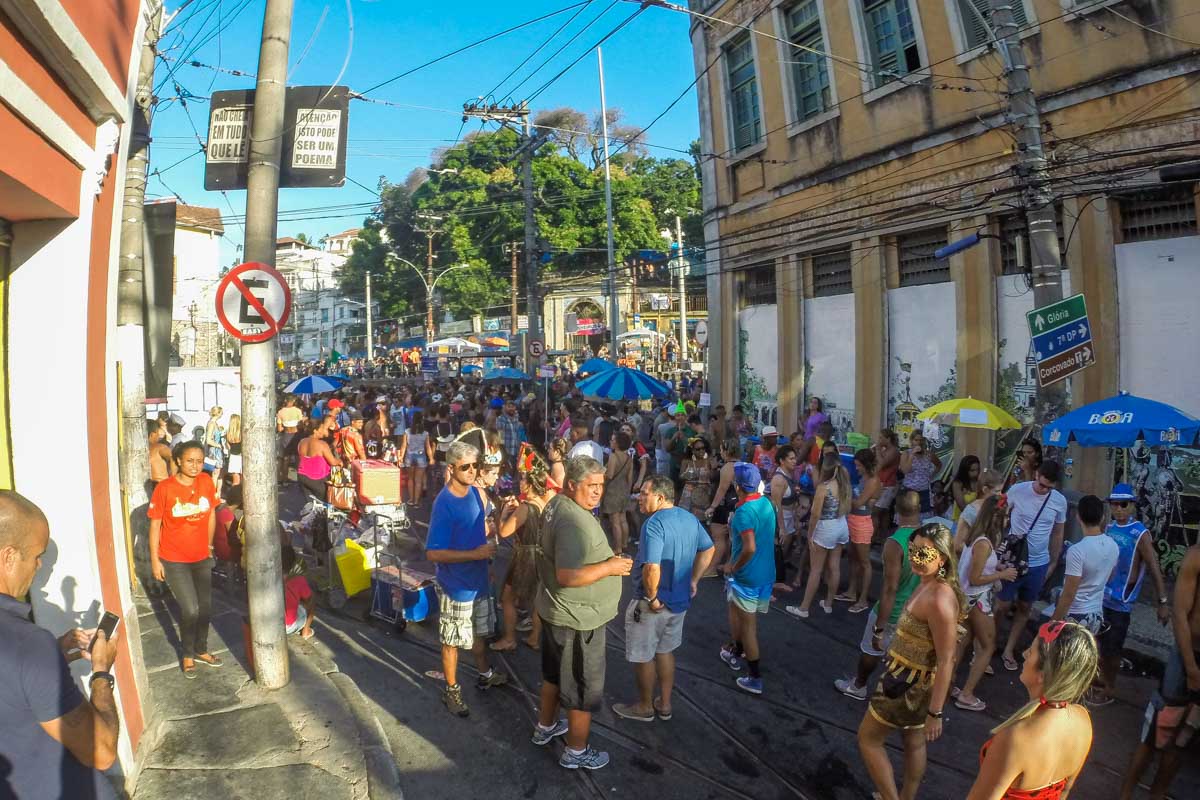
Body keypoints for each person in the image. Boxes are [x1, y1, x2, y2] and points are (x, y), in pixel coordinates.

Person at [0, 491, 121, 799]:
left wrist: (52, 656)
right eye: (37, 555)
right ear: (9, 556)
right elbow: (102, 751)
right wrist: (101, 672)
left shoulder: (30, 648)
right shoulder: (28, 644)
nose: (39, 566)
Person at [532, 455, 632, 770]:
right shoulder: (573, 522)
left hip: (556, 611)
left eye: (601, 485)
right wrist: (611, 566)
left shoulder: (556, 504)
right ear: (572, 484)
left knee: (552, 674)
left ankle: (545, 727)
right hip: (577, 619)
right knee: (581, 688)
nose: (597, 492)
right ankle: (576, 751)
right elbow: (568, 576)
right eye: (591, 486)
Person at [857, 523, 965, 800]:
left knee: (868, 740)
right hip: (910, 678)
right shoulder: (927, 583)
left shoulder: (939, 598)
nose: (916, 558)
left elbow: (947, 659)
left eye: (924, 554)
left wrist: (936, 713)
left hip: (904, 685)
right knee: (913, 741)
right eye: (913, 550)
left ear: (941, 558)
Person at [612, 476, 714, 722]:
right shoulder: (689, 518)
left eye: (645, 493)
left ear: (660, 497)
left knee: (644, 655)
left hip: (652, 605)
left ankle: (645, 706)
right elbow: (708, 548)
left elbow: (652, 567)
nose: (639, 498)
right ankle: (665, 704)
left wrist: (652, 597)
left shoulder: (654, 524)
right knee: (665, 651)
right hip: (679, 603)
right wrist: (694, 580)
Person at [966, 621, 1097, 799]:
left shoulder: (1015, 739)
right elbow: (1064, 792)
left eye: (1031, 651)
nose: (1025, 653)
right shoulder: (1082, 719)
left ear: (1042, 675)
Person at [425, 440, 507, 717]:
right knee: (452, 640)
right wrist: (475, 553)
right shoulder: (444, 504)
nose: (472, 471)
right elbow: (434, 554)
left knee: (480, 634)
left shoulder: (476, 493)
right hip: (456, 585)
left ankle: (485, 674)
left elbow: (476, 528)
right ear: (451, 468)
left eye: (476, 466)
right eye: (466, 467)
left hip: (480, 578)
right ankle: (452, 691)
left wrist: (488, 537)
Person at [1118, 544, 1200, 800]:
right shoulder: (1197, 555)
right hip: (1188, 657)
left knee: (1184, 739)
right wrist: (1191, 668)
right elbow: (1180, 613)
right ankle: (1126, 794)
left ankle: (1157, 794)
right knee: (1156, 732)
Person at [834, 490, 923, 700]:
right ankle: (893, 696)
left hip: (893, 611)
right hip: (915, 611)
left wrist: (880, 628)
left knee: (871, 650)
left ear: (896, 512)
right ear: (918, 510)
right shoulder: (929, 537)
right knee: (901, 660)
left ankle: (859, 686)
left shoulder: (895, 543)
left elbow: (890, 588)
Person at [1091, 482, 1170, 706]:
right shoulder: (1108, 528)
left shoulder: (1140, 533)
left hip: (1121, 602)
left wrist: (1162, 601)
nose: (1118, 509)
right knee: (1096, 642)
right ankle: (1098, 680)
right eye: (1114, 504)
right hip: (1102, 596)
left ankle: (1109, 687)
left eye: (1123, 504)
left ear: (1132, 505)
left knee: (1112, 649)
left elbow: (1154, 567)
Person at [148, 441, 223, 677]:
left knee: (206, 609)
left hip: (201, 556)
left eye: (199, 461)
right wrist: (155, 561)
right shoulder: (165, 489)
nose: (195, 466)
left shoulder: (206, 482)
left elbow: (211, 514)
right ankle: (188, 653)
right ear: (178, 461)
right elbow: (155, 525)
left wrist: (210, 546)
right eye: (190, 461)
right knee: (190, 609)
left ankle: (201, 649)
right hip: (174, 559)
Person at [997, 461, 1068, 672]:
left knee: (1025, 607)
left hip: (1039, 562)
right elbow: (999, 515)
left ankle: (1008, 649)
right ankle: (987, 642)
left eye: (1048, 487)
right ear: (1036, 475)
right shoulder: (1018, 490)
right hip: (1013, 559)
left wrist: (1054, 562)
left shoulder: (1059, 501)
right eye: (1041, 484)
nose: (1043, 489)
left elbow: (1058, 532)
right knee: (1002, 605)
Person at [952, 495, 1018, 712]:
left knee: (964, 642)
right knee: (987, 646)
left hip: (968, 600)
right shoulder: (984, 543)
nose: (1008, 520)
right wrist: (1003, 574)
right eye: (1006, 515)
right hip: (978, 600)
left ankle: (949, 684)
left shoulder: (979, 539)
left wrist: (995, 569)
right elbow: (975, 578)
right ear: (997, 518)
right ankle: (967, 693)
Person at [718, 463, 776, 695]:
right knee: (739, 614)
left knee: (747, 625)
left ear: (738, 486)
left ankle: (754, 676)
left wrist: (733, 565)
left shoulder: (743, 513)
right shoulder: (765, 503)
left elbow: (749, 547)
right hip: (765, 574)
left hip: (747, 576)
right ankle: (736, 649)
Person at [491, 451, 556, 652]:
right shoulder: (547, 503)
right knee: (537, 598)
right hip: (543, 554)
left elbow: (504, 532)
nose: (520, 483)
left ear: (530, 484)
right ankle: (535, 638)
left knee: (507, 598)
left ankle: (509, 639)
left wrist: (503, 513)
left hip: (524, 557)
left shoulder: (525, 507)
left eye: (523, 480)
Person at [787, 455, 851, 618]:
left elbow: (815, 515)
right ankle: (828, 603)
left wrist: (809, 536)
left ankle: (803, 608)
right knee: (834, 567)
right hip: (841, 525)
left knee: (816, 570)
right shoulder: (844, 484)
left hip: (826, 527)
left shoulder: (824, 487)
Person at [1049, 494, 1119, 633]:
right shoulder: (1113, 545)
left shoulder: (1077, 550)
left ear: (1078, 517)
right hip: (1097, 615)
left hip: (1076, 614)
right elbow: (1110, 577)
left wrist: (1053, 623)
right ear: (1102, 518)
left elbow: (1069, 593)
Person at [842, 448, 881, 613]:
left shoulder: (872, 481)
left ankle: (863, 599)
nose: (856, 468)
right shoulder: (863, 477)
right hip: (853, 519)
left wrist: (844, 495)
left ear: (865, 465)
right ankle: (851, 592)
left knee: (864, 562)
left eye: (858, 465)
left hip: (862, 522)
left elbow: (859, 503)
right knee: (853, 558)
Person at [702, 439, 740, 578]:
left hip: (725, 505)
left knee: (719, 537)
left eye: (721, 450)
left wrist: (712, 507)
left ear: (726, 451)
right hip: (737, 504)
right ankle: (729, 566)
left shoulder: (727, 467)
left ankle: (711, 568)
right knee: (732, 538)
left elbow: (721, 490)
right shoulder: (744, 465)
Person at [953, 469, 1005, 555]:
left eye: (1001, 491)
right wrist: (987, 548)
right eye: (997, 491)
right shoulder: (971, 512)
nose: (1000, 495)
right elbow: (958, 545)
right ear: (985, 489)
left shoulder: (995, 508)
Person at [601, 430, 636, 554]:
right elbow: (630, 478)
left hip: (612, 491)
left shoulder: (613, 456)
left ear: (617, 443)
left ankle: (617, 548)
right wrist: (628, 491)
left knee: (615, 522)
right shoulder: (628, 458)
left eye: (613, 440)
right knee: (623, 519)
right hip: (624, 491)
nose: (611, 442)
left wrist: (602, 474)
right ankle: (625, 543)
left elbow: (609, 475)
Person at [296, 414, 341, 502]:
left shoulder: (301, 442)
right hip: (317, 479)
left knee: (310, 503)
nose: (323, 431)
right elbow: (333, 462)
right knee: (324, 502)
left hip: (302, 477)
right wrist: (339, 461)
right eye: (321, 429)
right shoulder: (322, 444)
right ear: (315, 431)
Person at [899, 430, 941, 515]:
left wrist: (931, 475)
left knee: (923, 517)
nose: (919, 442)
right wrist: (912, 455)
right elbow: (905, 470)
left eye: (921, 440)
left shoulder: (929, 454)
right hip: (909, 491)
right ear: (912, 441)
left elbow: (939, 465)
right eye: (916, 440)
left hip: (924, 491)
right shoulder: (906, 453)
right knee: (909, 516)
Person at [281, 543, 315, 639]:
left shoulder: (270, 576)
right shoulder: (298, 579)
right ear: (293, 562)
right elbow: (309, 600)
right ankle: (306, 631)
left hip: (269, 625)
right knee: (311, 599)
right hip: (286, 627)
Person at [872, 429, 901, 539]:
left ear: (888, 439)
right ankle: (883, 538)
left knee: (875, 512)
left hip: (888, 485)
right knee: (884, 513)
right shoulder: (886, 450)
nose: (879, 440)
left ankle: (873, 538)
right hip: (882, 483)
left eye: (881, 438)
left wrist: (878, 450)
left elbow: (881, 464)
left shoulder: (893, 451)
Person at [678, 436, 715, 521]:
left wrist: (713, 468)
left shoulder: (709, 460)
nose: (701, 451)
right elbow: (680, 477)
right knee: (687, 519)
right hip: (688, 494)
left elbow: (712, 478)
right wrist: (686, 474)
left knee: (704, 520)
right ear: (692, 450)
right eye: (698, 449)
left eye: (703, 448)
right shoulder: (687, 461)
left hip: (704, 495)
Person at [402, 411, 433, 507]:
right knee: (418, 481)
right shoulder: (425, 433)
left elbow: (404, 446)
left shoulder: (407, 431)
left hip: (409, 456)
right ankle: (416, 501)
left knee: (410, 479)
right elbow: (428, 447)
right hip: (421, 456)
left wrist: (400, 457)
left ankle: (411, 499)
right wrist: (431, 458)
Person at [950, 455, 980, 522]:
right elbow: (962, 507)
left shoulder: (980, 482)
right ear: (965, 470)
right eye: (972, 470)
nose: (976, 473)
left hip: (977, 521)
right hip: (961, 521)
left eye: (978, 470)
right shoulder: (957, 484)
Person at [497, 400, 526, 465]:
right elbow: (500, 436)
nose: (511, 408)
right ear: (505, 408)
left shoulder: (518, 418)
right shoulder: (501, 419)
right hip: (507, 451)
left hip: (518, 451)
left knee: (518, 471)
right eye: (509, 406)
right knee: (508, 471)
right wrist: (502, 450)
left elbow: (522, 434)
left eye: (513, 407)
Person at [204, 405, 225, 485]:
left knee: (219, 473)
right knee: (215, 473)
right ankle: (212, 493)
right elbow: (208, 440)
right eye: (221, 412)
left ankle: (217, 493)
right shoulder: (211, 424)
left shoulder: (215, 423)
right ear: (218, 413)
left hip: (218, 450)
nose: (222, 414)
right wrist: (218, 445)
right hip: (214, 451)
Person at [225, 413, 243, 489]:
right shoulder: (241, 433)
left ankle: (235, 494)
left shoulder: (229, 433)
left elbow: (228, 446)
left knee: (235, 480)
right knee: (242, 478)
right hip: (241, 456)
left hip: (233, 456)